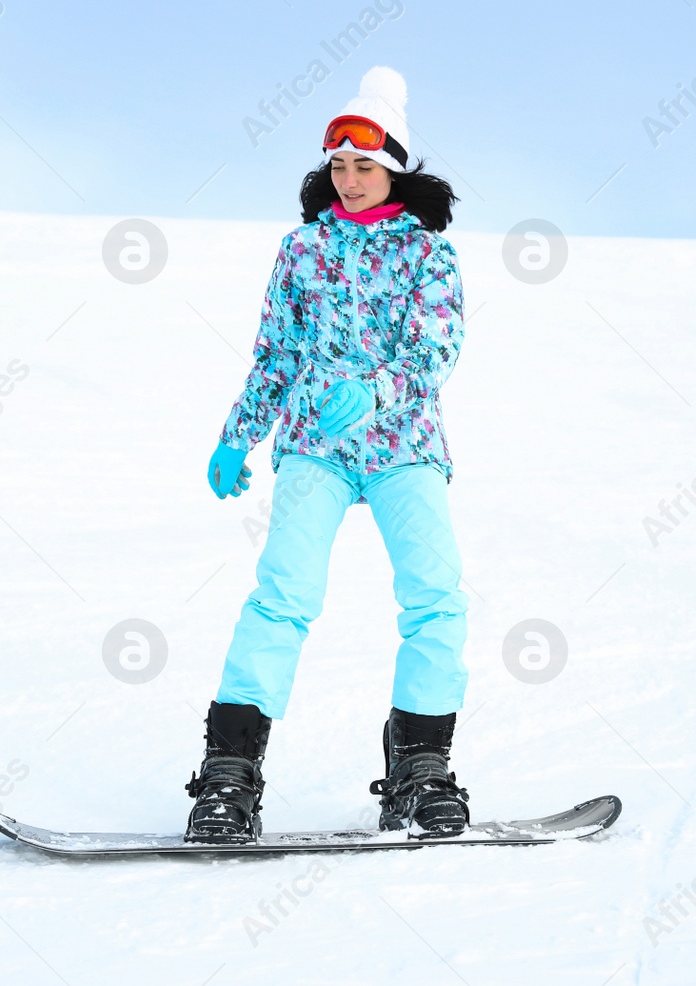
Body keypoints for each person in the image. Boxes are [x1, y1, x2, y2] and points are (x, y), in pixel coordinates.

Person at [185, 66, 472, 843]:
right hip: (315, 444)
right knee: (282, 594)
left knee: (435, 595)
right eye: (338, 164)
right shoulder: (302, 249)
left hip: (404, 444)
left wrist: (378, 391)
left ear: (396, 169)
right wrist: (238, 433)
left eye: (366, 165)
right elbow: (276, 353)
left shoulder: (427, 253)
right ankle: (228, 776)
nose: (348, 179)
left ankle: (421, 767)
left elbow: (438, 344)